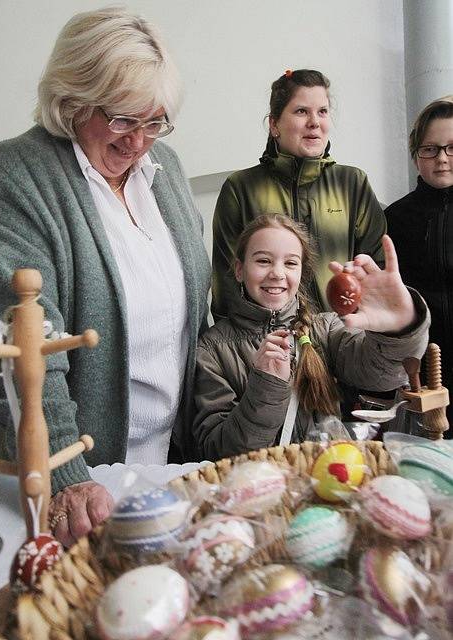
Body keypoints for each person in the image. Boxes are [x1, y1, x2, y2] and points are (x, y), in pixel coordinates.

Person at [0, 7, 210, 546]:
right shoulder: (17, 177)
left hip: (170, 463)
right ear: (71, 101)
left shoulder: (168, 171)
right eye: (120, 118)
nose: (139, 141)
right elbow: (25, 342)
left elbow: (195, 313)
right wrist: (67, 473)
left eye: (154, 121)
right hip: (82, 481)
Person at [194, 214, 429, 461]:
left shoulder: (325, 330)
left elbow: (381, 374)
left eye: (290, 263)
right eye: (263, 261)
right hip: (261, 491)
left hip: (330, 481)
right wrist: (266, 386)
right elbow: (215, 451)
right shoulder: (212, 350)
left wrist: (398, 327)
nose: (277, 273)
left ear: (302, 272)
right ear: (239, 269)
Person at [212, 69, 387, 322]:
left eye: (323, 111)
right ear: (274, 124)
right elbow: (226, 281)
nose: (315, 122)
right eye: (301, 111)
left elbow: (376, 269)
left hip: (344, 340)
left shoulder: (352, 183)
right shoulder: (241, 188)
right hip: (268, 347)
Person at [386, 96, 453, 437]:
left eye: (451, 147)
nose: (442, 158)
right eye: (430, 148)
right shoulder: (395, 219)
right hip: (424, 373)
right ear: (415, 155)